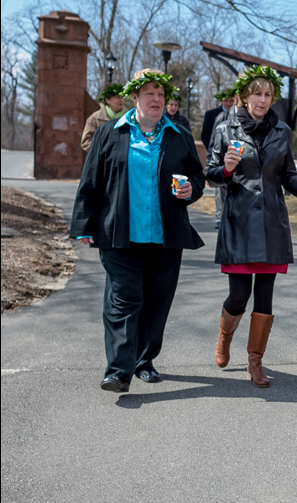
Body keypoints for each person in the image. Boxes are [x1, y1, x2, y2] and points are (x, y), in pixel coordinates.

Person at [70, 69, 205, 393]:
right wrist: (82, 225)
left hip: (165, 236)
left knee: (157, 302)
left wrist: (191, 190)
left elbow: (197, 179)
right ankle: (118, 370)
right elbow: (91, 182)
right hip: (119, 235)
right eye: (150, 94)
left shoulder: (180, 135)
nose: (157, 99)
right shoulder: (109, 133)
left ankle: (144, 360)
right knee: (124, 298)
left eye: (161, 95)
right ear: (135, 97)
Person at [206, 65, 297, 388]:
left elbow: (288, 175)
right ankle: (225, 336)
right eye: (257, 93)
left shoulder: (281, 131)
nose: (263, 100)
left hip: (272, 223)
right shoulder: (224, 128)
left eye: (268, 94)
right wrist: (225, 169)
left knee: (264, 297)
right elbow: (210, 173)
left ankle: (256, 361)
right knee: (239, 296)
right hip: (238, 222)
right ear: (244, 95)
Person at [202, 89, 236, 230]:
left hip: (236, 161)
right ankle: (219, 217)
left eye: (231, 100)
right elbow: (209, 139)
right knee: (220, 192)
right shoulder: (218, 116)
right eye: (226, 100)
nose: (228, 103)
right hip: (221, 159)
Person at [81, 83, 127, 151]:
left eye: (122, 97)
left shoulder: (130, 117)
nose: (121, 100)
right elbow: (86, 142)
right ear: (107, 100)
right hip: (103, 160)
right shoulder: (95, 118)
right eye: (117, 97)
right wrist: (104, 151)